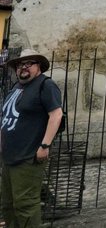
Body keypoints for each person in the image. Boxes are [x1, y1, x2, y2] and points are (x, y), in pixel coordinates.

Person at [0, 49, 63, 228]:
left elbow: (56, 114)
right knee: (8, 204)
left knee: (25, 204)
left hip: (28, 155)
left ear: (39, 66)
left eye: (29, 63)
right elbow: (6, 117)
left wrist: (45, 145)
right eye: (20, 64)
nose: (24, 67)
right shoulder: (16, 87)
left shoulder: (46, 85)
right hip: (9, 156)